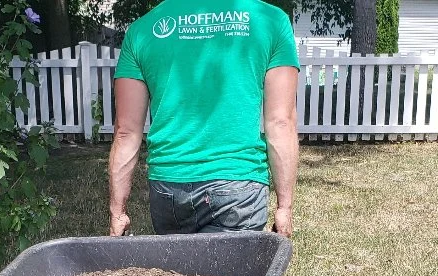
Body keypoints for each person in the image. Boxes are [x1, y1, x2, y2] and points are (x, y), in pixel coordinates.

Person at [108, 0, 300, 238]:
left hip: (170, 188)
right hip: (237, 186)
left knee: (179, 274)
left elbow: (126, 131)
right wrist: (284, 207)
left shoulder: (144, 29)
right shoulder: (270, 21)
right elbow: (281, 122)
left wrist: (118, 211)